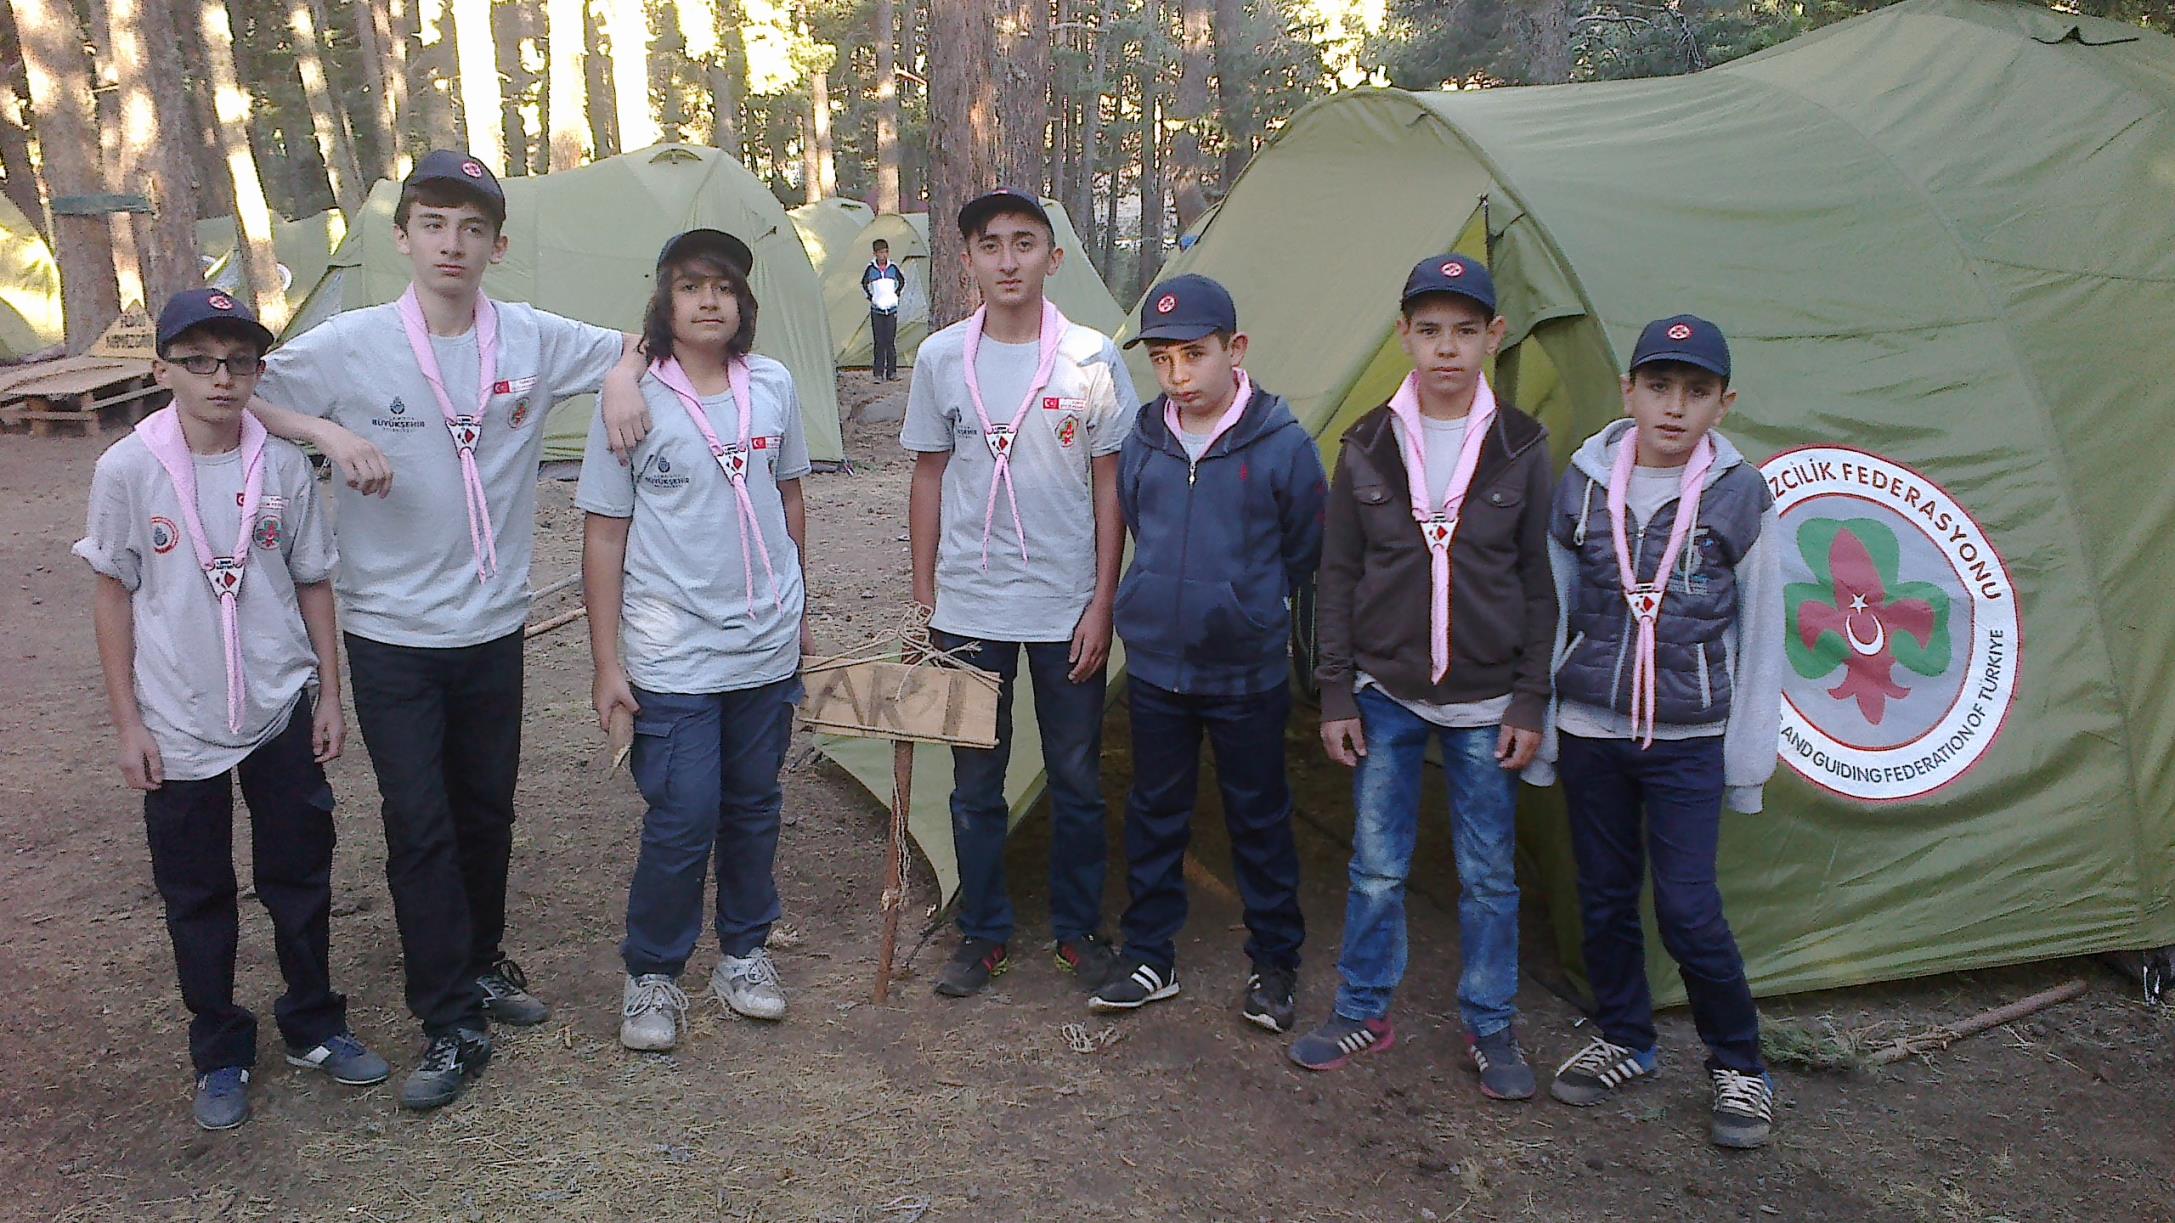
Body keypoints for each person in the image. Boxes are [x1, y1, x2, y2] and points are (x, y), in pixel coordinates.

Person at [247, 150, 641, 1110]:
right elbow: (245, 388)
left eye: (472, 228)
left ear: (496, 245)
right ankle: (448, 1020)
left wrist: (624, 379)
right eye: (433, 224)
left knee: (486, 811)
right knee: (419, 825)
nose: (451, 244)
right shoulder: (354, 343)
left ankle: (481, 960)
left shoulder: (531, 337)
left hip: (492, 627)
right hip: (390, 634)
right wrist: (327, 433)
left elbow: (637, 340)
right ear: (404, 239)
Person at [77, 290, 390, 1130]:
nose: (222, 378)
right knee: (197, 891)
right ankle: (219, 1048)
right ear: (162, 370)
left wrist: (329, 693)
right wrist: (129, 723)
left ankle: (313, 1021)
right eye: (201, 362)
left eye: (240, 362)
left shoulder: (281, 465)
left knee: (300, 874)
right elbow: (112, 594)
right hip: (177, 715)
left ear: (257, 371)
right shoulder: (128, 468)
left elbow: (313, 579)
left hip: (279, 704)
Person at [1290, 256, 1556, 1105]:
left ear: (1493, 337)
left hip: (1487, 701)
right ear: (1403, 334)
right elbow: (1337, 576)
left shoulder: (1521, 445)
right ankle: (1362, 1009)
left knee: (1488, 875)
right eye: (1430, 330)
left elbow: (1539, 584)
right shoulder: (1367, 442)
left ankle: (1490, 1021)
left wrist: (1529, 697)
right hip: (1387, 694)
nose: (1447, 348)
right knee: (1375, 865)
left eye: (1465, 332)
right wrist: (1336, 690)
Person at [1528, 315, 1783, 1150]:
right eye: (1659, 386)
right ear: (1628, 391)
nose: (1674, 406)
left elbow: (1763, 631)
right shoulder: (1582, 482)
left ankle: (1738, 1062)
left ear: (1722, 403)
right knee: (1603, 896)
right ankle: (1625, 1038)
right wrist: (1547, 728)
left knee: (1686, 907)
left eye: (1696, 391)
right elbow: (1554, 605)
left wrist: (1746, 759)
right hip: (1591, 729)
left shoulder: (1739, 495)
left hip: (1688, 739)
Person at [899, 188, 1142, 998]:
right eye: (990, 245)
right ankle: (983, 931)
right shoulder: (940, 358)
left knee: (1075, 775)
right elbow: (928, 476)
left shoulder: (1091, 356)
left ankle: (1077, 928)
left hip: (1065, 607)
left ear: (1053, 257)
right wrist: (926, 596)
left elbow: (1109, 482)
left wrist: (1101, 601)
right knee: (975, 783)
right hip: (969, 610)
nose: (1008, 260)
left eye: (1024, 243)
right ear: (966, 259)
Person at [578, 230, 812, 1053]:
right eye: (690, 286)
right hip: (672, 652)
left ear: (743, 303)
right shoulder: (633, 397)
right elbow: (604, 533)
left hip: (764, 646)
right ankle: (653, 970)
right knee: (683, 815)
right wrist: (606, 663)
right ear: (664, 302)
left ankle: (743, 952)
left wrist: (799, 606)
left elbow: (788, 497)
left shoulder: (773, 384)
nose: (709, 300)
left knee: (753, 806)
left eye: (724, 286)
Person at [1090, 274, 1323, 1033]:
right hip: (1159, 666)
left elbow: (1305, 550)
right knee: (1155, 810)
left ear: (1235, 349)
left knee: (1258, 814)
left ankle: (1274, 963)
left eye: (1195, 355)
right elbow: (1136, 527)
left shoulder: (1283, 445)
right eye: (1161, 360)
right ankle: (1148, 954)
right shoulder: (1144, 441)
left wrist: (1248, 609)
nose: (1178, 376)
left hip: (1245, 671)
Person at [863, 238, 907, 382]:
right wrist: (872, 297)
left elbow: (902, 282)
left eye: (885, 252)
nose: (883, 255)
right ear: (875, 254)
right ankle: (878, 373)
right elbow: (864, 284)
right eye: (880, 252)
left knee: (890, 341)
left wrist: (895, 295)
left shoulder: (893, 268)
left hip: (891, 309)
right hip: (877, 310)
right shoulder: (871, 269)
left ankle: (892, 372)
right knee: (879, 342)